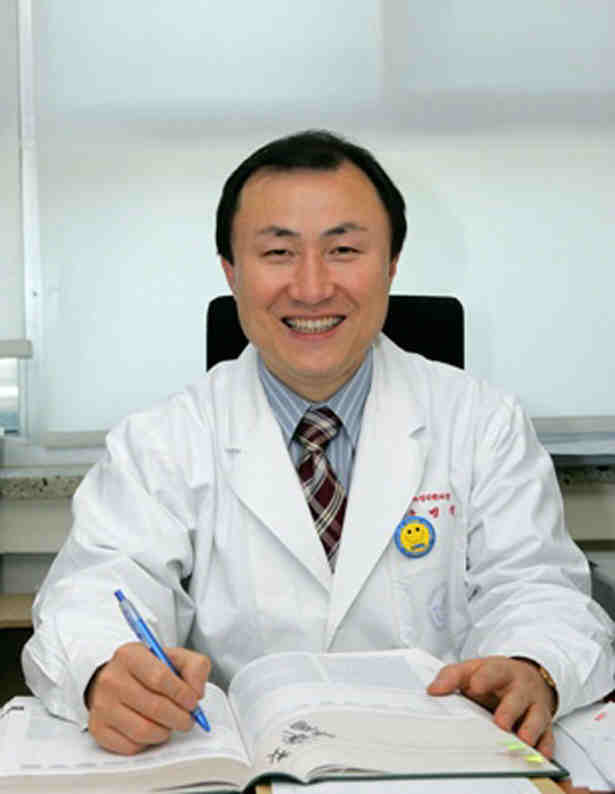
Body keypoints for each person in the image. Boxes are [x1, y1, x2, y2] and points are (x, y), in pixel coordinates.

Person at [23, 130, 615, 759]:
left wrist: (532, 664)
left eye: (344, 250)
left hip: (442, 764)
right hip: (245, 772)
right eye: (278, 252)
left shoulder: (483, 424)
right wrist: (104, 670)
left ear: (391, 264)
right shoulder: (160, 441)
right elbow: (95, 591)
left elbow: (537, 589)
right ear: (231, 272)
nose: (311, 288)